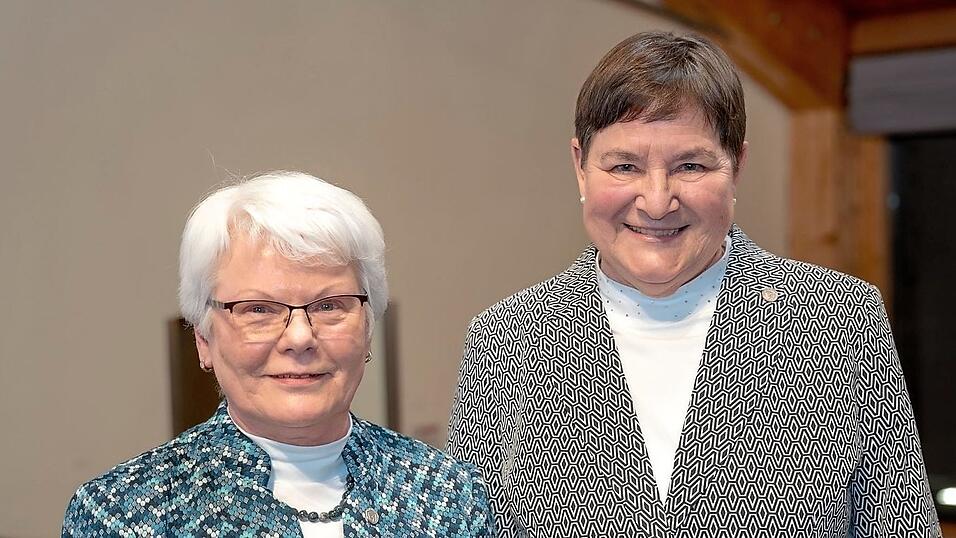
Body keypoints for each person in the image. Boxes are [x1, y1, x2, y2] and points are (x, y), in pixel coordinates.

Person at [448, 32, 940, 536]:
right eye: (624, 166)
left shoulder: (838, 318)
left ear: (736, 168)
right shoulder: (504, 339)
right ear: (580, 167)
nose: (657, 201)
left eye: (690, 166)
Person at [64, 171, 495, 536]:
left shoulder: (450, 492)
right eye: (259, 310)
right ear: (203, 339)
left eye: (329, 306)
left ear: (367, 328)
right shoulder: (122, 514)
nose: (300, 337)